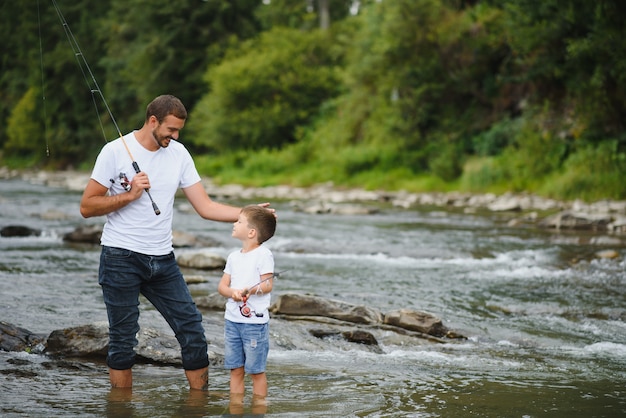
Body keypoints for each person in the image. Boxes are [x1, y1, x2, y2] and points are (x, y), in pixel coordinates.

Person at [80, 94, 273, 391]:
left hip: (162, 261)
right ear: (153, 121)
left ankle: (199, 406)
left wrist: (250, 213)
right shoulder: (114, 152)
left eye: (179, 130)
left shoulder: (180, 154)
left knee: (192, 331)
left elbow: (205, 207)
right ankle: (120, 409)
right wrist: (129, 196)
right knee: (123, 340)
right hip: (120, 258)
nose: (176, 136)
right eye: (171, 129)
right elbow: (87, 206)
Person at [217, 205, 276, 404]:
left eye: (239, 221)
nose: (234, 223)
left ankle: (259, 408)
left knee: (256, 371)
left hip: (254, 325)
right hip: (232, 322)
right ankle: (236, 407)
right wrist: (232, 293)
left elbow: (267, 284)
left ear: (251, 232)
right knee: (235, 369)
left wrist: (250, 290)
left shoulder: (263, 254)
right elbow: (222, 286)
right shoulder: (233, 256)